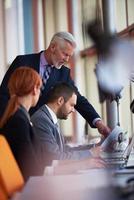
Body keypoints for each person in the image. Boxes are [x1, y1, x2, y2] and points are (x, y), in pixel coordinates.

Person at [0, 31, 110, 137]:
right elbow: (3, 94)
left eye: (69, 56)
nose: (67, 59)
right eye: (65, 54)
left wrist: (98, 122)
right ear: (53, 47)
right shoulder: (22, 62)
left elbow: (78, 99)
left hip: (41, 132)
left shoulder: (63, 73)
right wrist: (7, 123)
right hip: (14, 126)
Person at [31, 82, 104, 166]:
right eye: (72, 105)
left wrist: (94, 147)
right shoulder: (42, 120)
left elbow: (64, 150)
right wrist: (89, 153)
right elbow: (55, 157)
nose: (73, 110)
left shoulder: (49, 118)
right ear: (60, 101)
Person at [0, 67, 43, 181]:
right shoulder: (19, 121)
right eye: (40, 88)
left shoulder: (17, 116)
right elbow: (31, 169)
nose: (40, 92)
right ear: (34, 89)